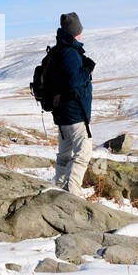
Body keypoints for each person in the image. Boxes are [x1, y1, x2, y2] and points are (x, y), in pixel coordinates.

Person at [52, 12, 94, 195]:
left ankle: (58, 187)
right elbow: (73, 80)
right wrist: (87, 70)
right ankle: (71, 191)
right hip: (75, 114)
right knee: (83, 154)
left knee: (64, 156)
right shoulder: (70, 52)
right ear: (76, 31)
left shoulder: (58, 50)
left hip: (62, 114)